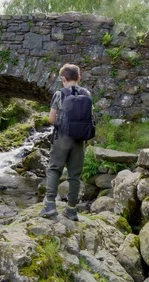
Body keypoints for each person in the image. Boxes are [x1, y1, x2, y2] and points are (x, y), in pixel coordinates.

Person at [38, 63, 92, 221]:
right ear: (79, 78)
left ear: (62, 79)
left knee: (54, 169)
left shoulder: (59, 94)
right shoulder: (86, 93)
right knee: (74, 175)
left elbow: (51, 119)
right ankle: (71, 210)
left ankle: (49, 206)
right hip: (80, 140)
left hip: (62, 138)